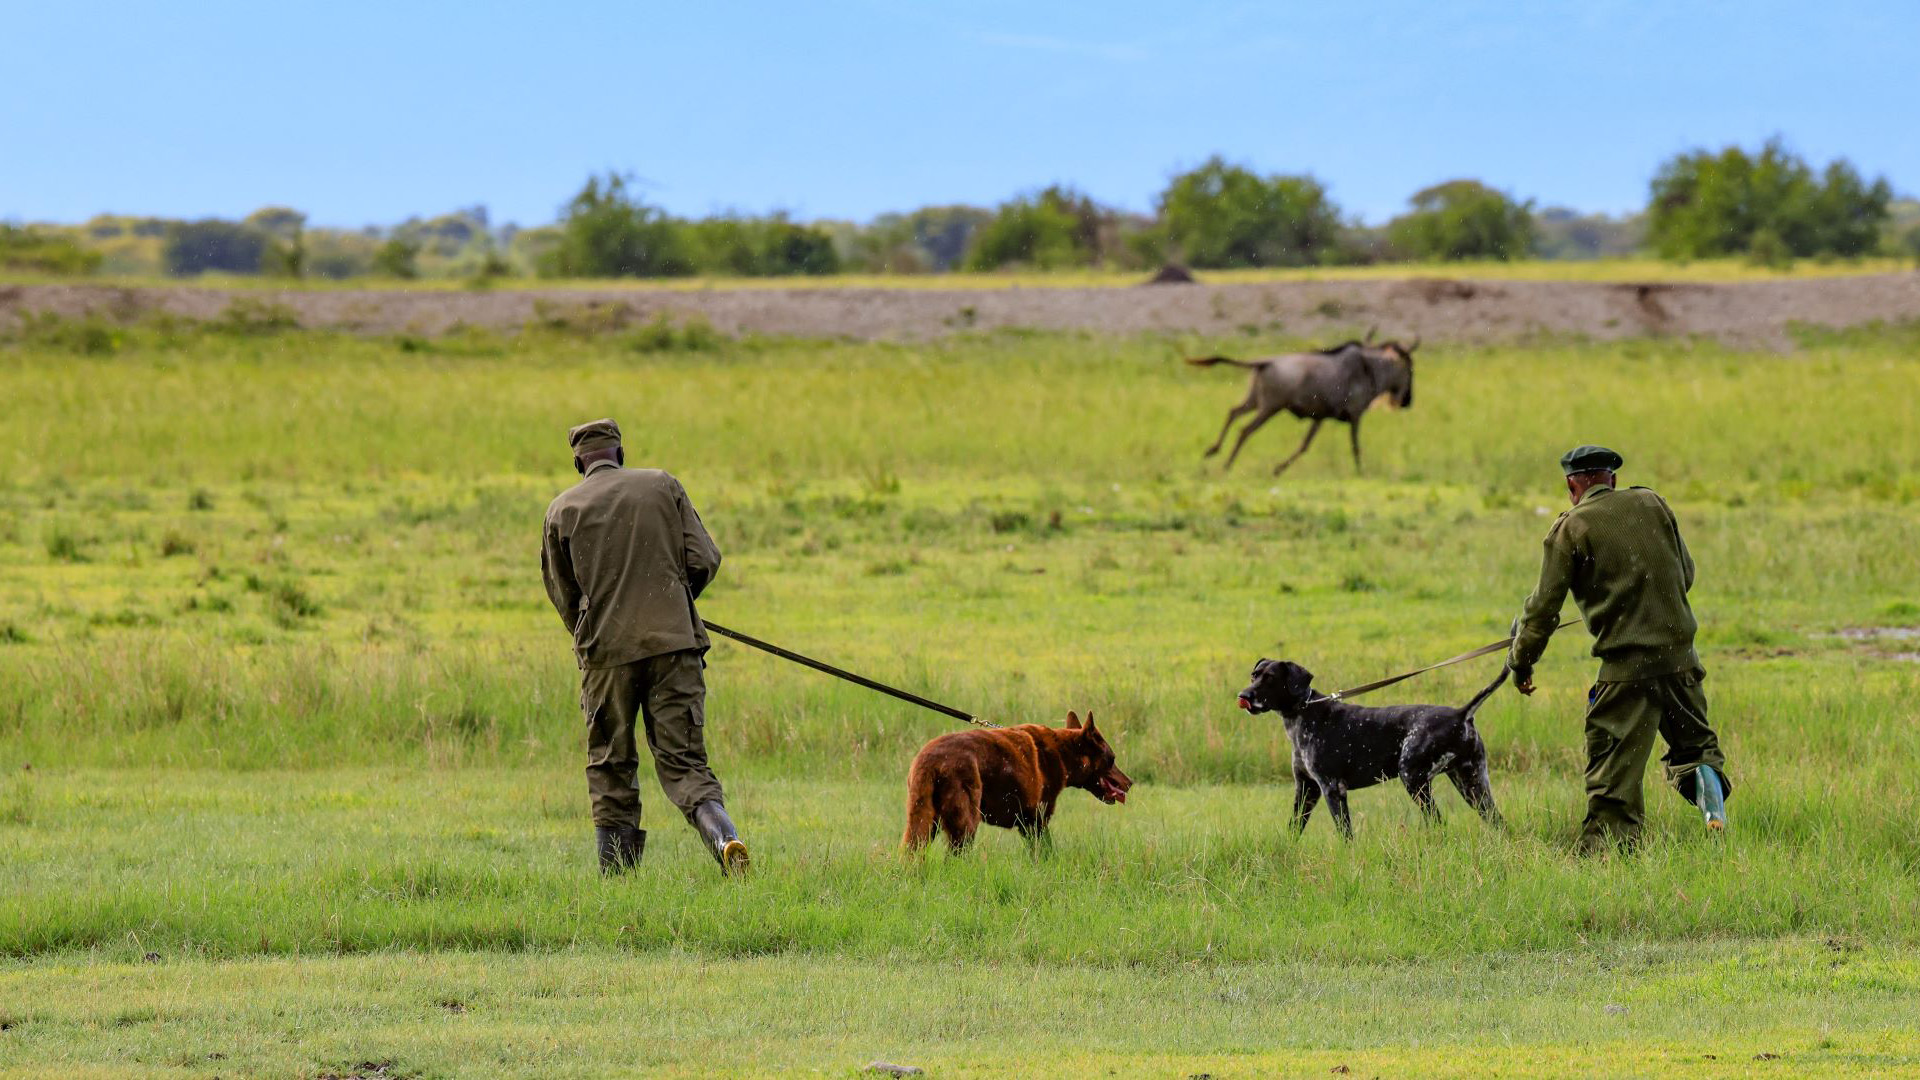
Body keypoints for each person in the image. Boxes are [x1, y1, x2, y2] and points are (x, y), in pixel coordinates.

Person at [541, 418, 749, 876]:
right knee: (685, 763)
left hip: (606, 656)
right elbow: (705, 559)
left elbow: (564, 596)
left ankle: (618, 882)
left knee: (611, 764)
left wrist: (596, 626)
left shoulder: (562, 509)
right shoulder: (662, 485)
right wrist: (673, 604)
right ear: (621, 453)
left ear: (579, 462)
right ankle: (725, 839)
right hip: (675, 645)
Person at [1508, 445, 1731, 853]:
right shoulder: (1652, 503)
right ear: (1611, 478)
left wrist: (1520, 662)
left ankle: (1609, 863)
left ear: (1572, 485)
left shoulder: (1570, 528)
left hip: (1627, 674)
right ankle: (1711, 804)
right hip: (1681, 662)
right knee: (1696, 748)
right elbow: (1686, 574)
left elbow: (1542, 612)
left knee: (1612, 779)